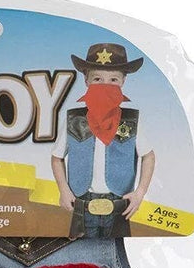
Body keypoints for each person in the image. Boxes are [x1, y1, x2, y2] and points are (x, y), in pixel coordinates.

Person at [51, 43, 154, 238]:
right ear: (86, 80)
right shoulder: (74, 119)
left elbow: (148, 156)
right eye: (97, 79)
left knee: (116, 249)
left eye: (113, 79)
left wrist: (140, 193)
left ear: (123, 81)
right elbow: (57, 157)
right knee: (80, 250)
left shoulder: (131, 121)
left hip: (119, 203)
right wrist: (63, 190)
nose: (105, 85)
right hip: (82, 203)